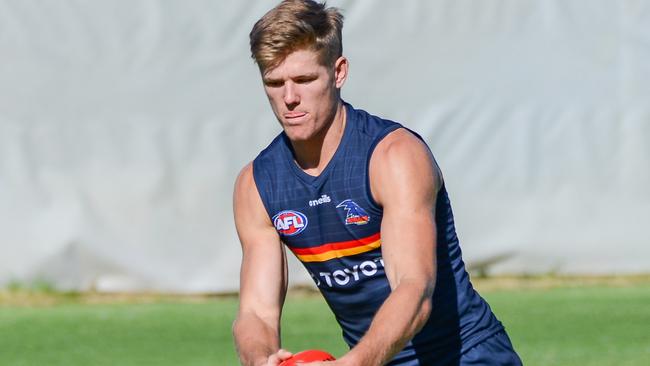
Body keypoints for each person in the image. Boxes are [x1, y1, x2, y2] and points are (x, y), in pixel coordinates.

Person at [232, 1, 523, 365]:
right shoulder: (257, 184)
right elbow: (256, 312)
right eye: (274, 83)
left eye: (305, 80)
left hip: (465, 354)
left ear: (338, 72)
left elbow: (414, 289)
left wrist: (355, 363)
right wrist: (261, 358)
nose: (289, 98)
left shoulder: (394, 157)